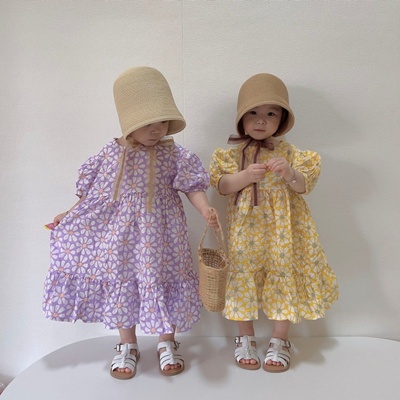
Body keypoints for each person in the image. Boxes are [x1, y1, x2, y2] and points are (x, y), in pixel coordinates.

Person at [43, 66, 218, 379]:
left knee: (166, 278)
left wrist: (204, 208)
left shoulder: (174, 154)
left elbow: (192, 187)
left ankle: (167, 341)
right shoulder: (111, 154)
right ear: (128, 124)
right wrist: (69, 213)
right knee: (122, 281)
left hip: (164, 234)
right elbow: (94, 193)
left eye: (162, 122)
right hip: (121, 235)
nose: (156, 130)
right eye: (147, 123)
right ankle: (127, 344)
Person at [209, 73, 338, 373]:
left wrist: (289, 173)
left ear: (282, 120)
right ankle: (245, 337)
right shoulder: (231, 155)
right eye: (253, 112)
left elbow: (303, 186)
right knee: (242, 275)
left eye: (271, 114)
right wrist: (245, 176)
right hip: (246, 232)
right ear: (241, 118)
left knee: (283, 274)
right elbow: (222, 186)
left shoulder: (290, 153)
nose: (261, 120)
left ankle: (280, 339)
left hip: (283, 233)